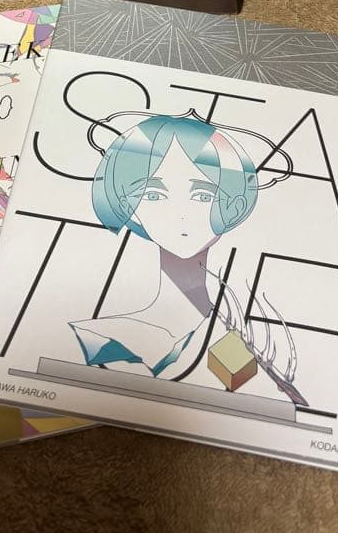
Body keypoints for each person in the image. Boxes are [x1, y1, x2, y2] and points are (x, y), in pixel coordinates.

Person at [70, 114, 260, 380]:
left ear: (234, 206)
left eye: (202, 195)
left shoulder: (234, 341)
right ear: (129, 208)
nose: (180, 214)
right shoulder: (99, 337)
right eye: (153, 195)